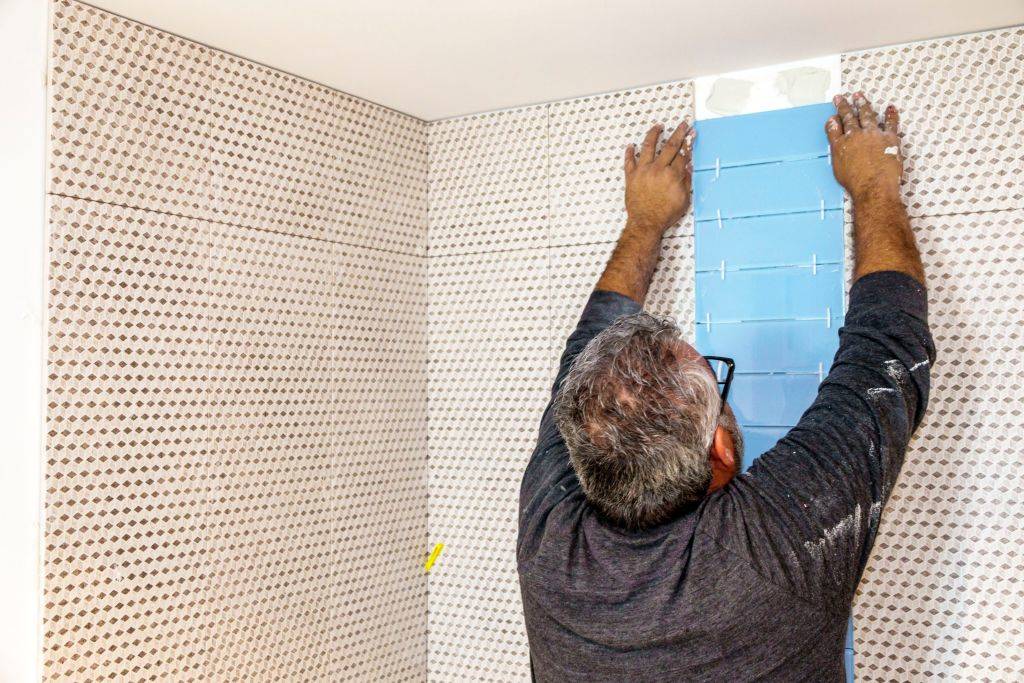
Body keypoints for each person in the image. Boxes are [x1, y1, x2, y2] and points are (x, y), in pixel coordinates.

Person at [516, 93, 934, 681]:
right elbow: (887, 351)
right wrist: (874, 186)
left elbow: (583, 356)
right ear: (719, 448)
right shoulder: (773, 548)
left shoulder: (549, 538)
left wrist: (643, 222)